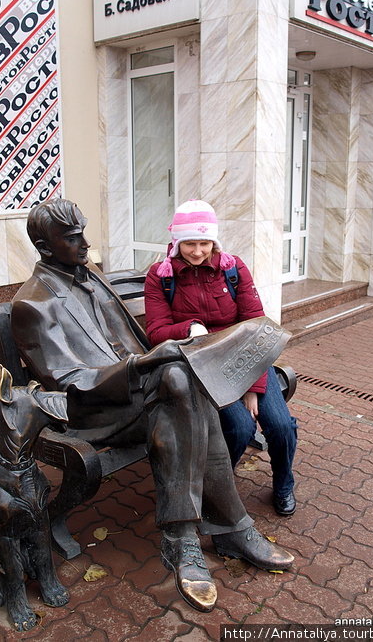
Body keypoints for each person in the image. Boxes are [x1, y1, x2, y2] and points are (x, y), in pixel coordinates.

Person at [11, 198, 294, 614]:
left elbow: (139, 340)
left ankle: (191, 539)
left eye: (83, 233)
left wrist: (159, 358)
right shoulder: (33, 304)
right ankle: (222, 530)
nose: (86, 244)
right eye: (73, 238)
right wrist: (143, 365)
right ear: (45, 245)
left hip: (139, 390)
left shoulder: (91, 279)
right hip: (94, 411)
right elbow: (71, 383)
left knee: (182, 381)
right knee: (179, 384)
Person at [144, 200, 298, 517]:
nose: (198, 251)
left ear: (214, 241)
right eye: (189, 243)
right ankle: (216, 487)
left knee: (280, 426)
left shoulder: (232, 268)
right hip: (203, 367)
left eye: (204, 243)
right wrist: (191, 327)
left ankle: (284, 481)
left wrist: (253, 388)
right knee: (241, 429)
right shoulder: (161, 276)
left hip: (248, 359)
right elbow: (156, 332)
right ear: (176, 241)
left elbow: (258, 328)